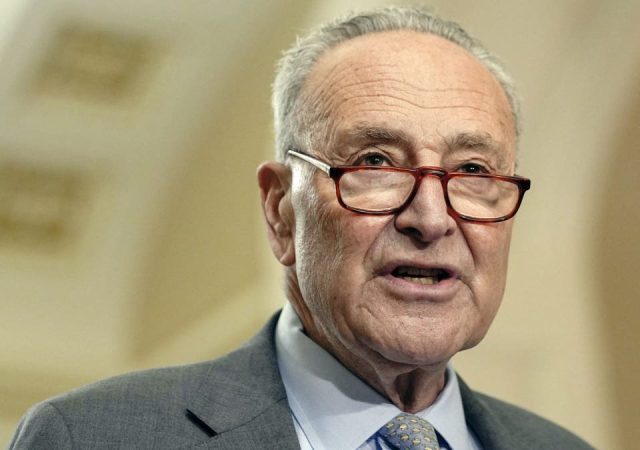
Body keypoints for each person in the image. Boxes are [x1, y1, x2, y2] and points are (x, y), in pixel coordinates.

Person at [9, 6, 593, 449]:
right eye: (376, 162)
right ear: (281, 211)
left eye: (472, 171)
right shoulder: (90, 438)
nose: (431, 217)